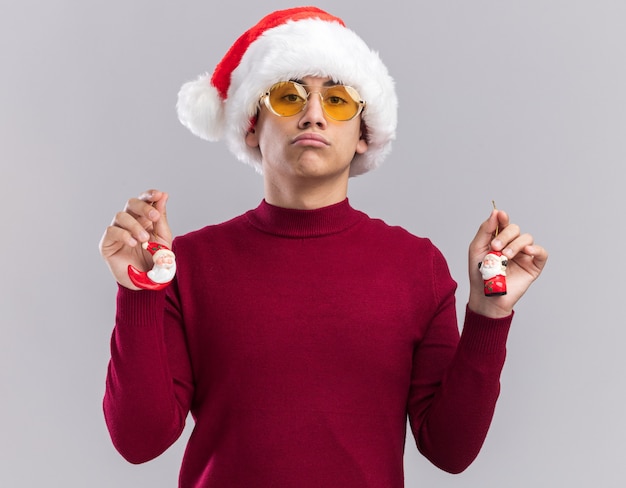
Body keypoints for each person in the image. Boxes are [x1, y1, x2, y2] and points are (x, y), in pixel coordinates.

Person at [99, 7, 548, 488]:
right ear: (251, 125)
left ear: (363, 134)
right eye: (288, 97)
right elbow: (138, 440)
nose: (313, 114)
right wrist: (141, 290)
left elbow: (450, 450)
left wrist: (487, 315)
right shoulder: (188, 264)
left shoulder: (416, 266)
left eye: (337, 100)